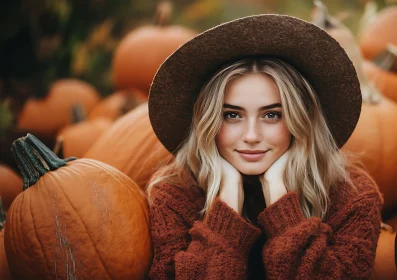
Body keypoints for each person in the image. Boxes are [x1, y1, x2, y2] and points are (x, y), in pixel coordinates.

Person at [146, 14, 383, 280]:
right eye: (232, 115)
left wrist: (283, 206)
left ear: (300, 120)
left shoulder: (352, 197)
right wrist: (226, 211)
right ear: (207, 121)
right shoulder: (174, 195)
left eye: (272, 115)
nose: (251, 135)